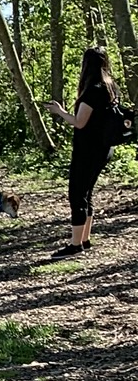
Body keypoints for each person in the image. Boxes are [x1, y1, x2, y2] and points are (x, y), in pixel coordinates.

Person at [51, 47, 126, 252]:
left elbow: (80, 122)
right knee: (87, 193)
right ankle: (84, 239)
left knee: (77, 193)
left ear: (87, 66)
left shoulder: (93, 89)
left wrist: (60, 112)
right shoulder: (110, 87)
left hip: (88, 150)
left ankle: (75, 244)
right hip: (104, 148)